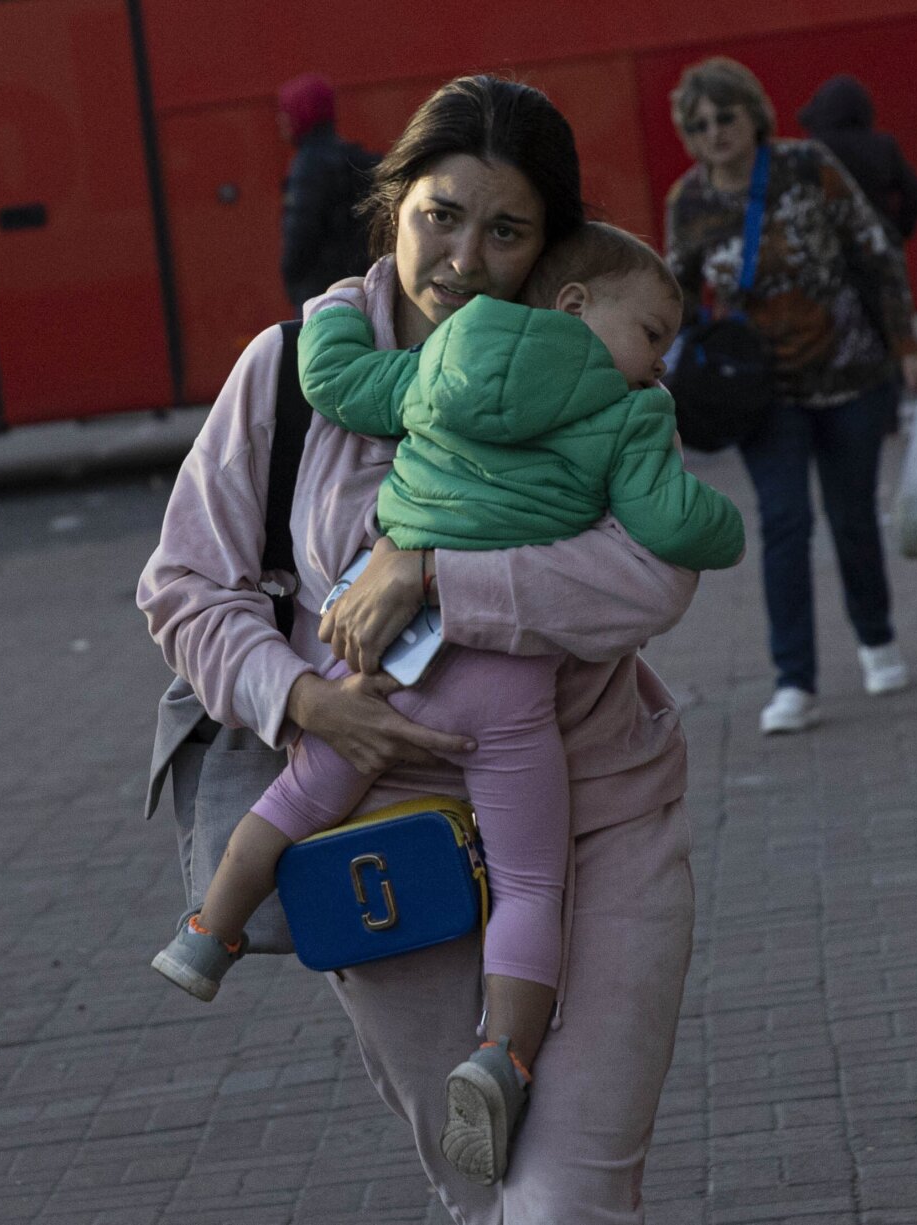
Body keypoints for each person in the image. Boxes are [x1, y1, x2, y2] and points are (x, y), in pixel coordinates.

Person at [140, 74, 702, 1222]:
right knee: (480, 1187)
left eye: (506, 231)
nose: (461, 257)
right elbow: (186, 584)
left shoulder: (597, 371)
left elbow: (649, 576)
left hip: (596, 821)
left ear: (553, 255)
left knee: (566, 1203)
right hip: (389, 848)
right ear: (394, 204)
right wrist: (302, 700)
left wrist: (437, 570)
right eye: (440, 214)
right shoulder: (294, 370)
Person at [664, 56, 917, 735]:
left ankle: (877, 639)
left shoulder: (806, 166)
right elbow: (675, 292)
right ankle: (794, 680)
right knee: (784, 525)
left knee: (852, 517)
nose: (715, 132)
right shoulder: (688, 202)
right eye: (699, 124)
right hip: (765, 394)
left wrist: (907, 348)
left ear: (752, 114)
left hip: (850, 376)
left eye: (725, 116)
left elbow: (877, 252)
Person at [277, 72, 378, 308]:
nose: (279, 121)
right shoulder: (356, 158)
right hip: (362, 284)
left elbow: (300, 239)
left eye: (284, 112)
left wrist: (293, 281)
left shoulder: (308, 166)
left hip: (322, 293)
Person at [797, 74, 917, 245]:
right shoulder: (882, 147)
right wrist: (896, 231)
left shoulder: (812, 149)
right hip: (875, 247)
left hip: (827, 248)